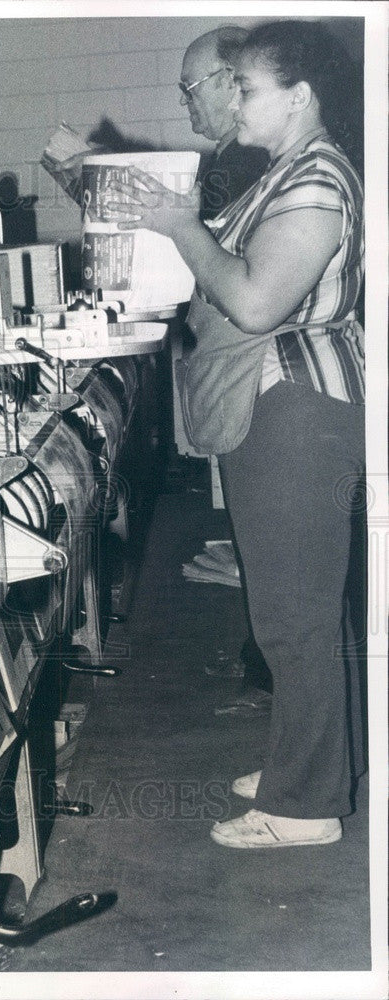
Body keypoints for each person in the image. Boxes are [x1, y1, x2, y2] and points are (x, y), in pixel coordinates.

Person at [113, 20, 365, 848]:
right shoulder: (289, 170)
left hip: (299, 405)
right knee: (292, 609)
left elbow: (256, 302)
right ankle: (312, 764)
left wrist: (183, 229)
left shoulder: (318, 180)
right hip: (280, 402)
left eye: (247, 88)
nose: (235, 101)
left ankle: (305, 808)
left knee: (294, 614)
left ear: (298, 96)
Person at [179, 27, 273, 706]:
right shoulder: (236, 164)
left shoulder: (236, 166)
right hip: (248, 376)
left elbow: (225, 281)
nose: (186, 103)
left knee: (267, 545)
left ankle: (268, 671)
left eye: (191, 88)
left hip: (256, 380)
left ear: (228, 81)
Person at [181, 26, 270, 220]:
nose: (183, 100)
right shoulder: (231, 154)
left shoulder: (249, 162)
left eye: (189, 87)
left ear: (231, 79)